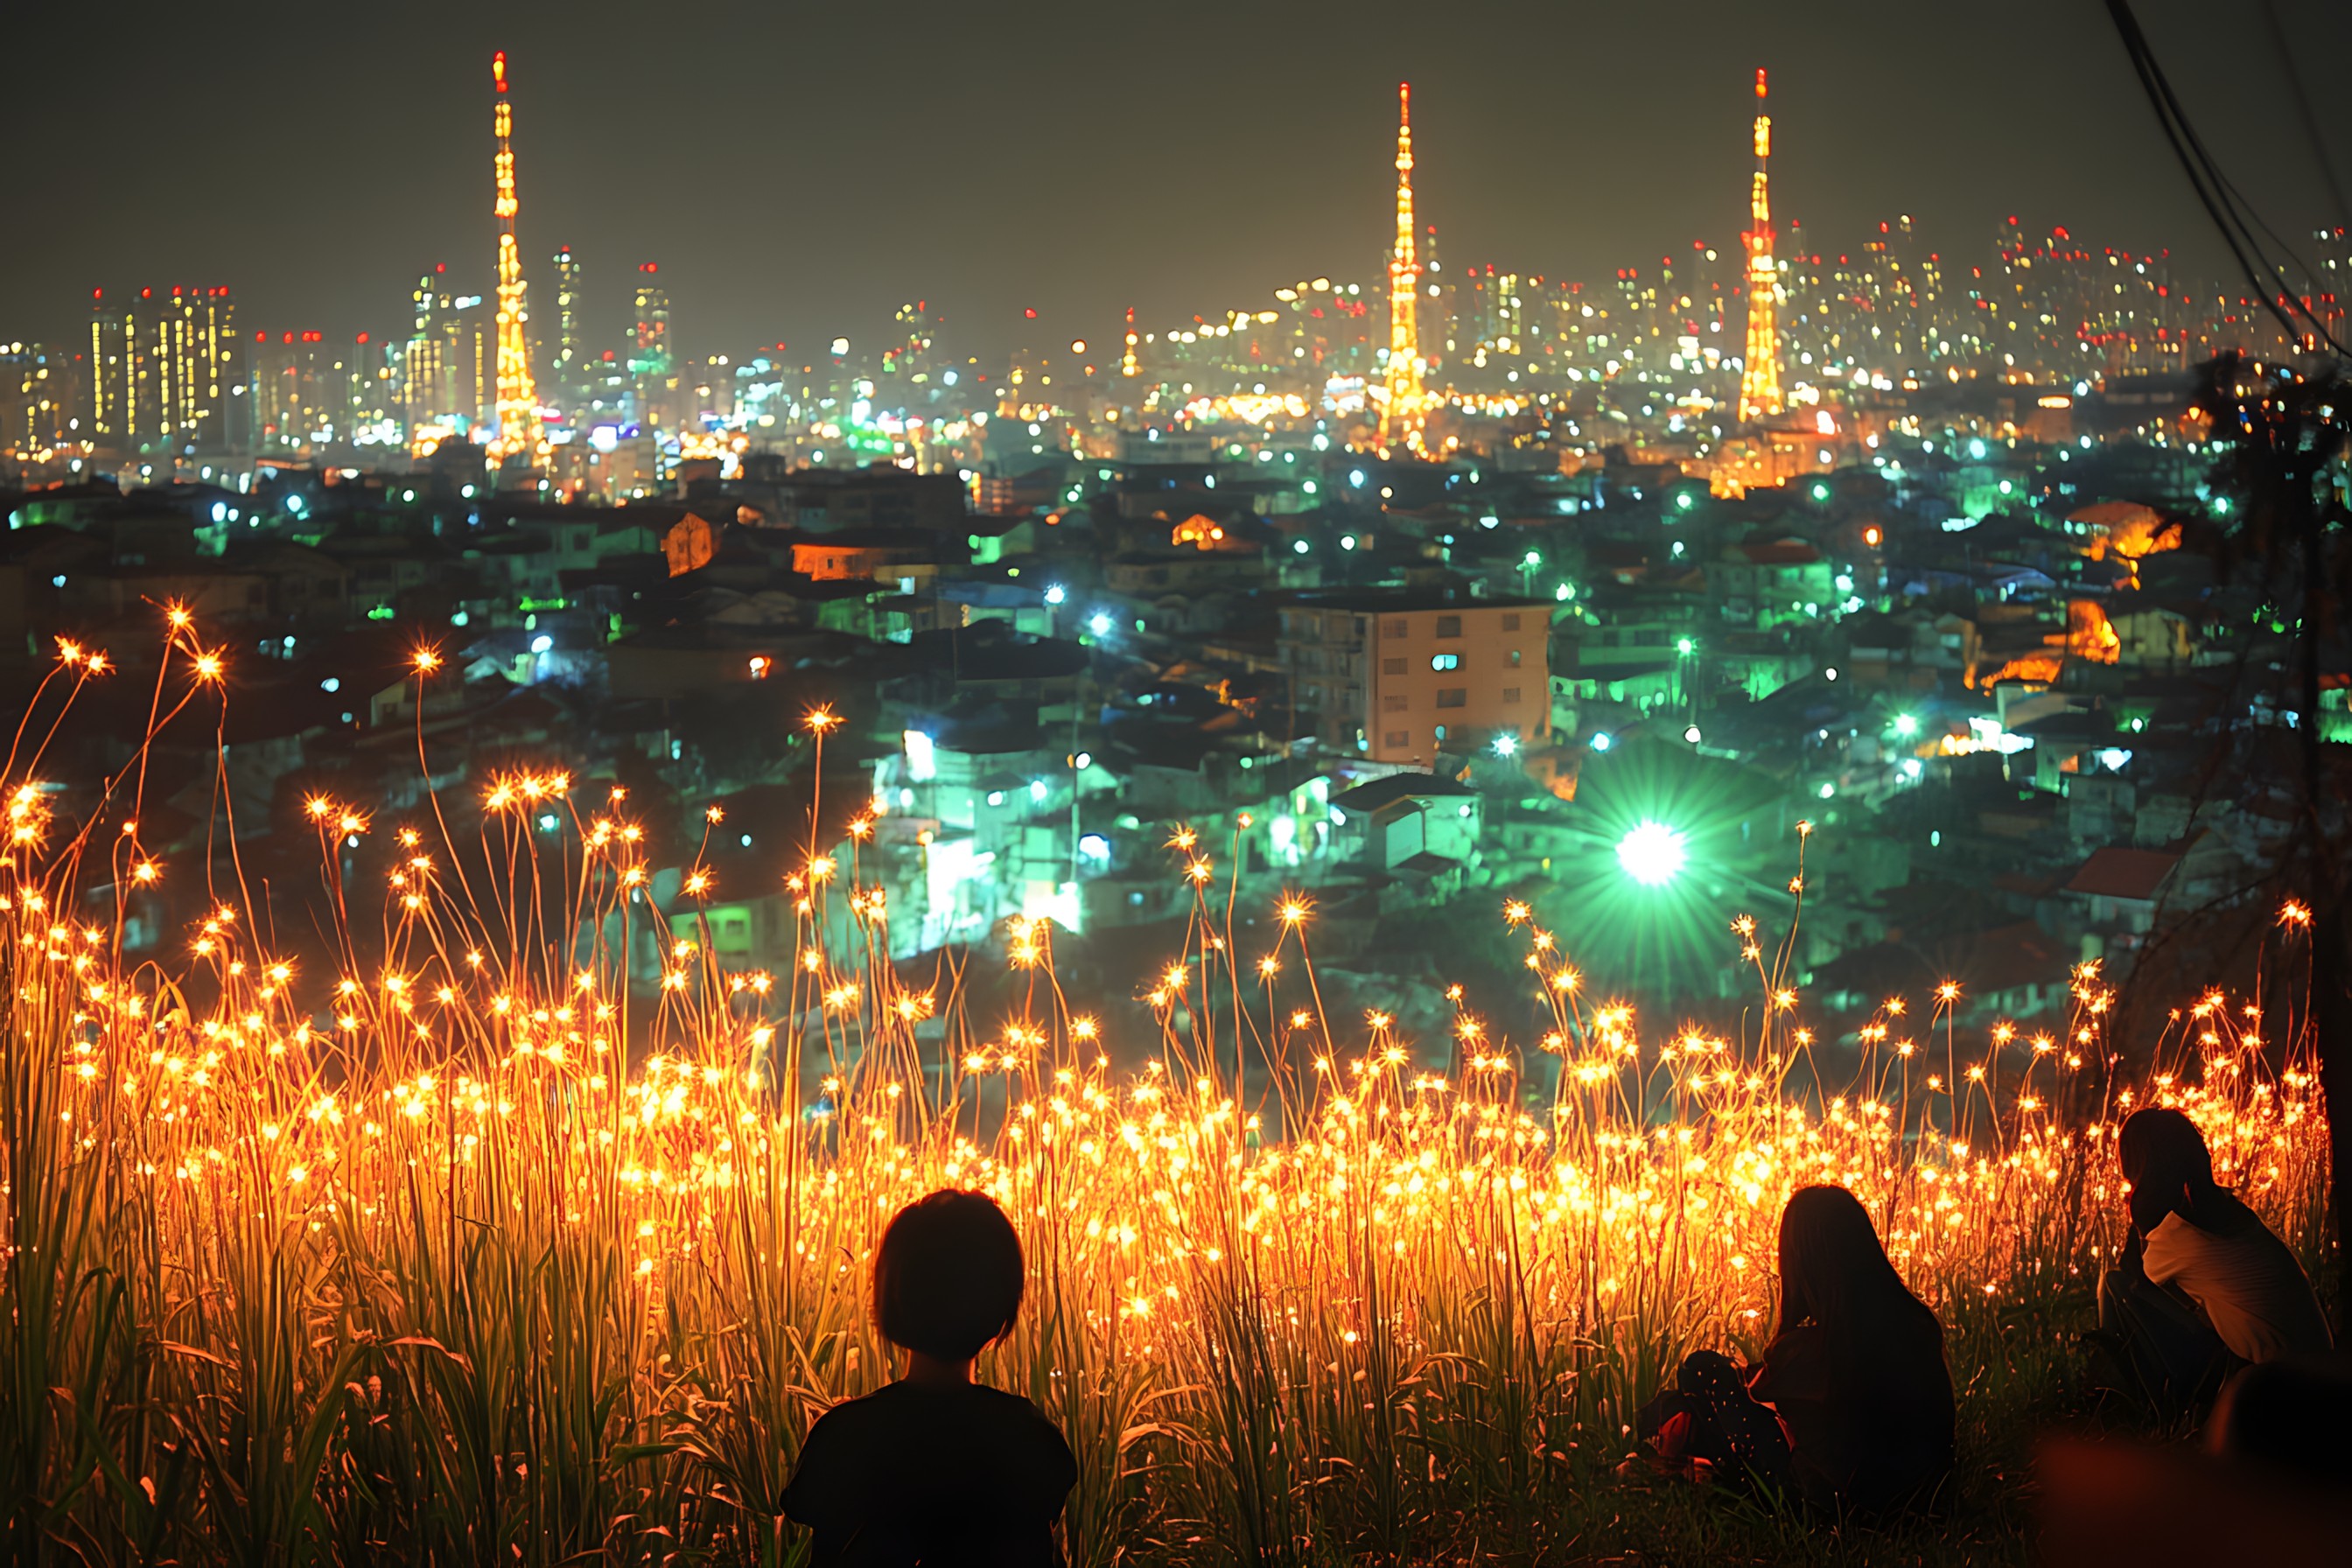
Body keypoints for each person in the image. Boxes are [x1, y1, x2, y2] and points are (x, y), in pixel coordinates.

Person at [784, 1188, 1077, 1565]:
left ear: (891, 1294)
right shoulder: (1031, 1437)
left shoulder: (845, 1433)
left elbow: (807, 1505)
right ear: (1001, 1304)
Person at [1638, 1184, 1955, 1516]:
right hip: (1921, 1495)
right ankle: (1685, 1441)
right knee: (1722, 1405)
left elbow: (1756, 1392)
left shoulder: (1814, 1350)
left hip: (1833, 1505)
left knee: (1702, 1369)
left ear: (1801, 1264)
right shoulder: (1916, 1324)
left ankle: (1669, 1442)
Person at [2093, 1107, 2331, 1419]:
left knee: (2114, 1285)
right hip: (2317, 1373)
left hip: (2275, 1388)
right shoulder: (2228, 1212)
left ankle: (2119, 1396)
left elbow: (2138, 1280)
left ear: (2140, 1166)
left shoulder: (2179, 1234)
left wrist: (2138, 1209)